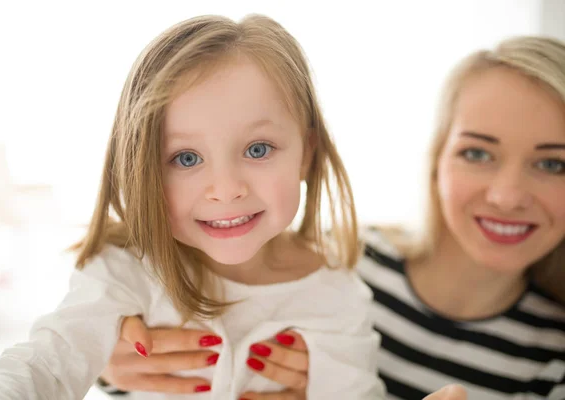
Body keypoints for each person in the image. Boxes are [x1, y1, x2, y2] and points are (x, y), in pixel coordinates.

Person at [105, 35, 565, 400]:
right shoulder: (322, 260)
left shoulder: (553, 361)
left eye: (552, 164)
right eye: (477, 152)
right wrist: (115, 358)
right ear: (436, 158)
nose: (507, 196)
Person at [0, 14, 386, 400]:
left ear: (307, 154)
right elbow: (48, 361)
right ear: (141, 168)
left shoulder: (336, 292)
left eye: (258, 149)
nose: (226, 189)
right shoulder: (125, 270)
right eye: (186, 158)